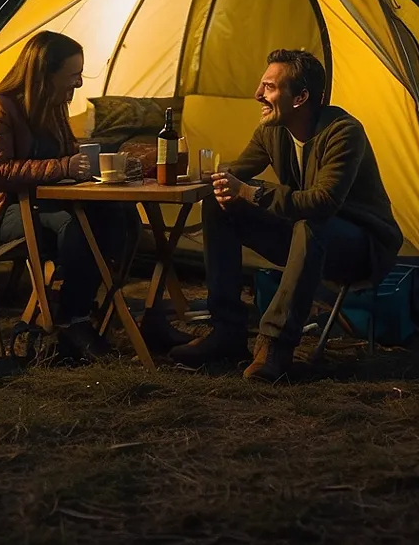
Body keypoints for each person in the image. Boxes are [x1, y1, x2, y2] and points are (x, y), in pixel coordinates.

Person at [169, 49, 403, 381]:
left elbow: (322, 202)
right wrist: (181, 176)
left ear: (301, 97)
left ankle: (276, 345)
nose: (257, 95)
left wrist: (251, 192)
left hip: (361, 247)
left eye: (269, 87)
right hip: (303, 234)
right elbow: (234, 172)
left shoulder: (343, 132)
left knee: (312, 224)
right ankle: (227, 332)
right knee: (221, 207)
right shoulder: (272, 130)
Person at [0, 30, 141, 360]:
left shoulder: (53, 108)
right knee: (75, 224)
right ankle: (74, 320)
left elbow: (67, 156)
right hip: (3, 210)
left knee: (120, 214)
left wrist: (106, 163)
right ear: (45, 73)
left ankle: (98, 303)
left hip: (47, 203)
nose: (79, 84)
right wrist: (62, 167)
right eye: (73, 75)